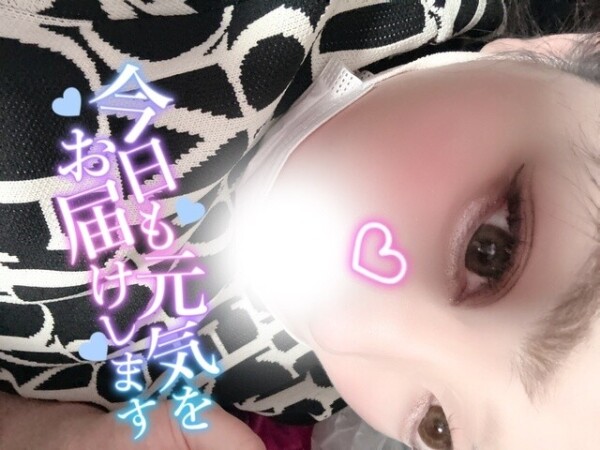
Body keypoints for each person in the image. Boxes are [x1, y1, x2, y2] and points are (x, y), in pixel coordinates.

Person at [0, 0, 597, 449]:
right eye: (491, 249)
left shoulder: (289, 392)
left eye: (436, 426)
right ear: (554, 52)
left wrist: (52, 435)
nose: (344, 327)